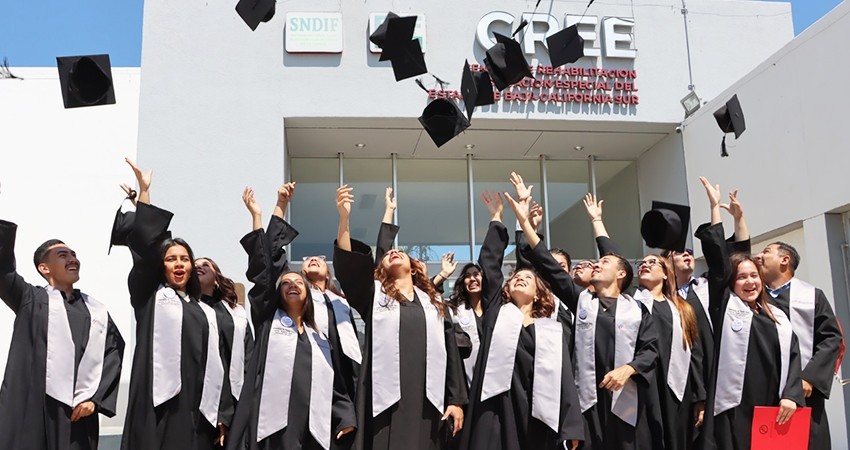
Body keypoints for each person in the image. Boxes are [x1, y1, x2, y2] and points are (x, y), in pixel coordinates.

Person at [512, 175, 658, 450]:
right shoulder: (582, 301)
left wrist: (628, 369)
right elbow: (547, 263)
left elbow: (650, 349)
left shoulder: (636, 309)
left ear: (622, 273)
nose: (597, 265)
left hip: (626, 402)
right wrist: (525, 224)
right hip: (587, 403)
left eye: (604, 261)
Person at [334, 184, 467, 450]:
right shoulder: (374, 296)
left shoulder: (435, 302)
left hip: (429, 399)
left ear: (414, 267)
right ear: (380, 268)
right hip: (385, 401)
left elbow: (452, 353)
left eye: (401, 252)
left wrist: (455, 400)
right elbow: (349, 265)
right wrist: (344, 219)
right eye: (388, 255)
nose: (394, 253)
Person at [226, 186, 356, 450]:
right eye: (287, 282)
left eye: (299, 282)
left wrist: (345, 415)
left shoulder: (320, 334)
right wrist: (274, 209)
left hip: (312, 424)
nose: (293, 284)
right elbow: (266, 267)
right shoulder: (268, 319)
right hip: (272, 425)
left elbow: (336, 382)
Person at [120, 158, 233, 449]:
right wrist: (145, 194)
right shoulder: (150, 295)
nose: (179, 263)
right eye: (171, 259)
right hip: (155, 403)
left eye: (185, 258)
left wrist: (222, 413)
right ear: (162, 267)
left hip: (197, 409)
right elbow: (145, 250)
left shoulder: (204, 310)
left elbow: (215, 363)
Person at [459, 186, 583, 450]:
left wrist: (571, 424)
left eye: (527, 278)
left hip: (536, 412)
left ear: (539, 294)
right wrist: (497, 218)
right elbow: (490, 263)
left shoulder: (550, 329)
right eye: (515, 277)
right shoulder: (497, 312)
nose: (519, 278)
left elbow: (564, 378)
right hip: (494, 409)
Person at [583, 193, 705, 450]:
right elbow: (612, 257)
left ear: (665, 272)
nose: (645, 265)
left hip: (674, 389)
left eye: (653, 262)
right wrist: (597, 221)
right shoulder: (632, 304)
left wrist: (699, 397)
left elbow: (695, 354)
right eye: (643, 262)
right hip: (642, 386)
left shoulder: (682, 308)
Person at [695, 176, 804, 450]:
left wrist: (791, 395)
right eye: (741, 278)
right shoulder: (726, 306)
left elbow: (793, 357)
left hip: (773, 406)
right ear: (731, 284)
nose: (749, 282)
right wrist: (714, 210)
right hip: (735, 408)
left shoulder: (777, 316)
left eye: (754, 276)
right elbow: (723, 263)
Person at [0, 212, 125, 450]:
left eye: (74, 255)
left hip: (77, 414)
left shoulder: (96, 312)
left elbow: (113, 353)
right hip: (32, 408)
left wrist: (96, 399)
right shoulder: (30, 299)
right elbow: (2, 268)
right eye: (63, 255)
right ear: (44, 267)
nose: (72, 259)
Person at [755, 241, 843, 450]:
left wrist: (809, 377)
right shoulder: (753, 297)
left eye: (766, 252)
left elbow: (831, 338)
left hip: (804, 392)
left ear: (785, 260)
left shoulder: (811, 296)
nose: (759, 256)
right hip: (763, 390)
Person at [445, 192, 508, 388]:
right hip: (465, 384)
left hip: (498, 381)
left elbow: (491, 262)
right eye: (468, 276)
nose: (473, 279)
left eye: (477, 274)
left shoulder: (500, 307)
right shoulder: (455, 310)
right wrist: (443, 275)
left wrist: (496, 217)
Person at [196, 256, 254, 420]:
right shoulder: (185, 307)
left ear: (216, 280)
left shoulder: (236, 313)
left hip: (234, 394)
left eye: (205, 264)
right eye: (194, 265)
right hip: (199, 395)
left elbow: (249, 353)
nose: (199, 266)